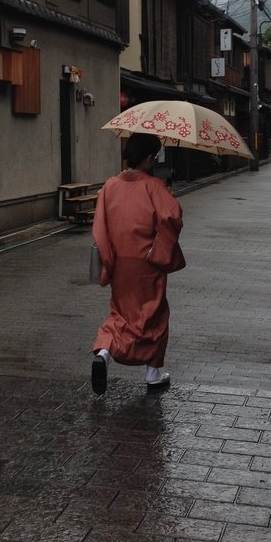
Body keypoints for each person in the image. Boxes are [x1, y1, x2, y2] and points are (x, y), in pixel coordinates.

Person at [90, 132, 185, 395]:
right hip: (148, 261)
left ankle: (105, 353)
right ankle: (153, 372)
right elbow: (172, 217)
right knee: (153, 314)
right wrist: (169, 196)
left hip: (120, 261)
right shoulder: (153, 186)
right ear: (146, 158)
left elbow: (100, 225)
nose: (154, 162)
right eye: (153, 157)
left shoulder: (110, 185)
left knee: (120, 313)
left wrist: (108, 258)